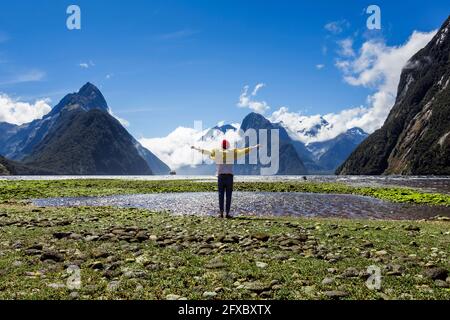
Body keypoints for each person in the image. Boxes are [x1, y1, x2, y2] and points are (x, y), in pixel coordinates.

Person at [191, 140, 260, 218]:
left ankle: (221, 213)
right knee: (228, 195)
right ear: (228, 145)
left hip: (220, 177)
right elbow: (244, 151)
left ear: (221, 145)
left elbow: (207, 152)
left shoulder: (217, 152)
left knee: (221, 195)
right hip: (229, 177)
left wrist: (196, 148)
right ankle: (227, 213)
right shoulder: (232, 152)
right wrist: (254, 147)